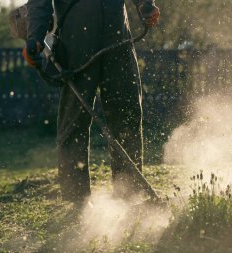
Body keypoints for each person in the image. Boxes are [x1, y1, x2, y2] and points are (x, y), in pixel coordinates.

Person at [22, 0, 160, 203]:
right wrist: (35, 35)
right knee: (74, 120)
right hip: (76, 38)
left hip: (117, 33)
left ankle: (129, 194)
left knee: (126, 113)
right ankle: (76, 199)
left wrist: (146, 5)